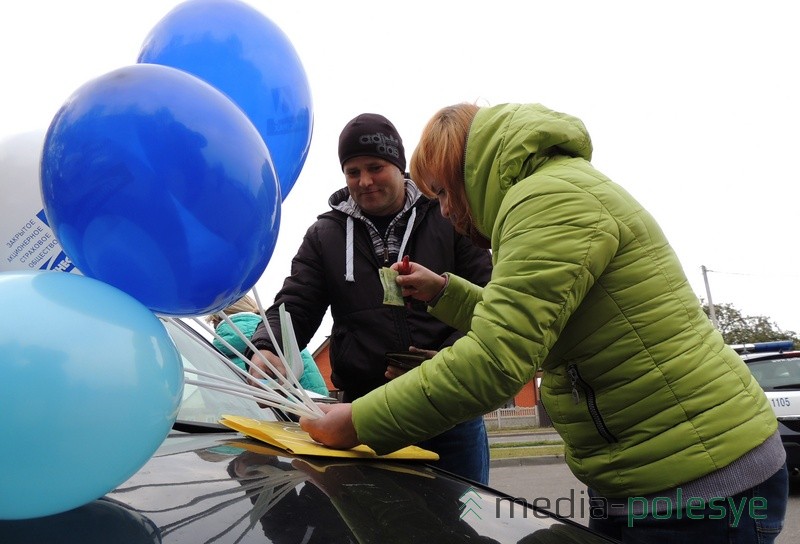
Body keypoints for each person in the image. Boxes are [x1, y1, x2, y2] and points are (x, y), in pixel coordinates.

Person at [300, 103, 788, 542]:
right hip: (646, 471)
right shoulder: (545, 193)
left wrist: (359, 422)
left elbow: (497, 357)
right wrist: (446, 293)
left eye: (445, 193)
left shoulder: (547, 202)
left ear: (466, 170)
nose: (445, 211)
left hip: (702, 484)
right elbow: (528, 317)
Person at [248, 113, 494, 484]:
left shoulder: (448, 216)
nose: (364, 181)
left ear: (399, 165)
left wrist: (448, 361)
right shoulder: (324, 236)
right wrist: (268, 347)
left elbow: (489, 301)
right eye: (352, 171)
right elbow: (295, 304)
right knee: (375, 527)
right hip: (362, 416)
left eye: (375, 167)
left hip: (448, 412)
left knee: (464, 527)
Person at [208, 294, 329, 396]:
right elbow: (316, 395)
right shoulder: (289, 342)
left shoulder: (208, 356)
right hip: (294, 423)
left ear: (217, 321)